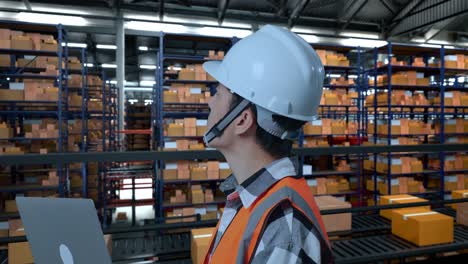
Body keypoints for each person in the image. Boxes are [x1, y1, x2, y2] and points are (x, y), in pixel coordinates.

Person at [202, 25, 333, 264]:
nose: (210, 102)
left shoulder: (283, 228)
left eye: (218, 93)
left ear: (242, 120)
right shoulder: (250, 197)